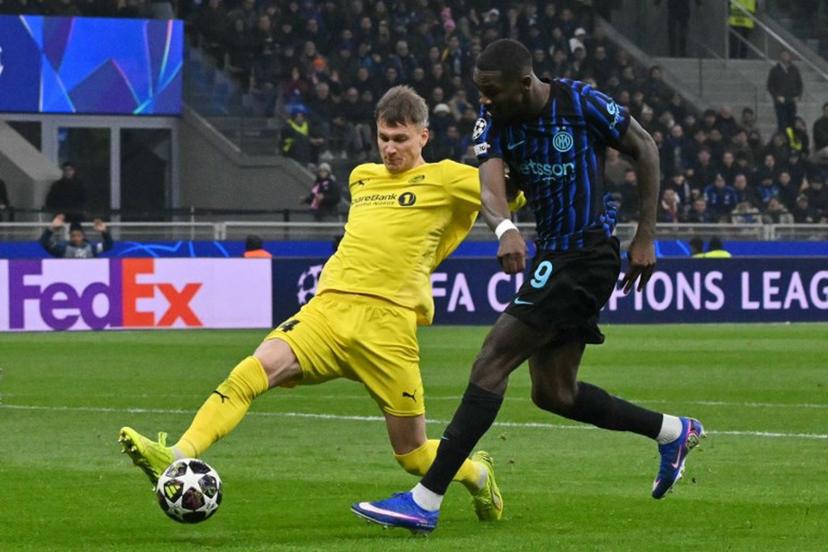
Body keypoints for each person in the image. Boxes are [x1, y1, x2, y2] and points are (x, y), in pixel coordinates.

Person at [119, 86, 524, 523]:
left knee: (413, 455)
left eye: (401, 139)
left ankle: (479, 475)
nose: (390, 148)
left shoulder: (448, 178)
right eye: (384, 137)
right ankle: (176, 455)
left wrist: (506, 214)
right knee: (251, 371)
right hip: (327, 311)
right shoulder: (361, 178)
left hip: (388, 328)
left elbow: (505, 192)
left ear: (423, 136)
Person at [354, 39, 704, 533]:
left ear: (526, 82)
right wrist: (504, 227)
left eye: (493, 91)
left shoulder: (580, 102)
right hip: (555, 253)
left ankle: (425, 499)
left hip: (586, 254)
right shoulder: (492, 119)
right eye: (480, 91)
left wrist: (646, 235)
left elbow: (645, 146)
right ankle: (672, 431)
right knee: (555, 393)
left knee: (492, 359)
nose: (486, 100)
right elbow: (490, 188)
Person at [39, 214, 112, 258]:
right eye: (73, 236)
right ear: (70, 236)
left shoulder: (92, 249)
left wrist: (104, 232)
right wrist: (52, 228)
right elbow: (44, 242)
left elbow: (109, 244)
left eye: (78, 235)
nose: (76, 238)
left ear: (83, 236)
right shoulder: (63, 250)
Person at [767, 50, 803, 134]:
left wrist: (798, 95)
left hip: (791, 100)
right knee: (782, 124)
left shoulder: (794, 69)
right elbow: (770, 86)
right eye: (783, 55)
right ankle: (783, 142)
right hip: (780, 101)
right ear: (780, 57)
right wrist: (777, 96)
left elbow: (799, 84)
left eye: (787, 55)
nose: (785, 57)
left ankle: (791, 142)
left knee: (791, 123)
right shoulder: (775, 70)